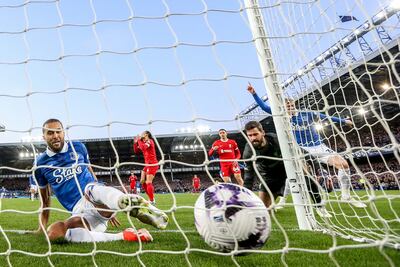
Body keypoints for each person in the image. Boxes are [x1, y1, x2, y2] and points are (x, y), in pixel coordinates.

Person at [34, 119, 168, 244]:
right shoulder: (40, 165)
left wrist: (108, 202)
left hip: (93, 194)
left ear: (63, 132)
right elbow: (45, 201)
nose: (55, 135)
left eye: (58, 131)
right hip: (79, 211)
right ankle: (126, 235)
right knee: (55, 233)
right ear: (44, 137)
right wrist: (41, 227)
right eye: (50, 133)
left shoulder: (78, 147)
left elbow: (90, 171)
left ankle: (124, 202)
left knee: (92, 189)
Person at [247, 84, 366, 208]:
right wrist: (254, 93)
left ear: (294, 105)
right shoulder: (282, 116)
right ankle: (283, 200)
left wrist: (343, 121)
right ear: (283, 107)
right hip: (301, 150)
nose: (289, 108)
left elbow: (325, 117)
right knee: (293, 175)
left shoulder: (306, 114)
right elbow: (264, 107)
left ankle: (346, 196)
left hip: (318, 146)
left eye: (291, 105)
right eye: (287, 106)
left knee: (344, 164)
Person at [243, 121, 331, 217]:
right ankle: (273, 203)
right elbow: (249, 177)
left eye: (255, 134)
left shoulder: (276, 140)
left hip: (288, 166)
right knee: (265, 211)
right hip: (270, 175)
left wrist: (319, 169)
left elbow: (302, 152)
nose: (253, 138)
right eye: (250, 135)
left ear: (263, 133)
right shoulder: (248, 152)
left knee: (303, 169)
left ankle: (319, 206)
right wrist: (245, 196)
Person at [133, 131, 158, 205]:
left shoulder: (150, 141)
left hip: (152, 164)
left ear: (146, 134)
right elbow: (136, 151)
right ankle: (151, 198)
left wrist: (139, 140)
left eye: (142, 133)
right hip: (147, 164)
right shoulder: (143, 142)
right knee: (142, 181)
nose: (140, 134)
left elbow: (143, 148)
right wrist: (135, 143)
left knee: (148, 182)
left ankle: (152, 200)